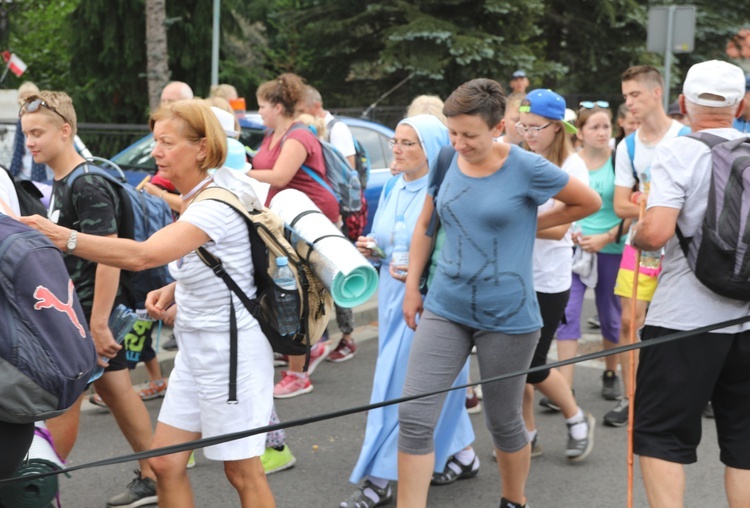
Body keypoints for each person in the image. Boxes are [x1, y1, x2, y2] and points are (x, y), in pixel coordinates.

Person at [22, 99, 276, 508]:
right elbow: (223, 260)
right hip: (199, 349)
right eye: (155, 140)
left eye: (166, 142)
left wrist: (60, 236)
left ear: (201, 148)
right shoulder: (199, 196)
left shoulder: (213, 203)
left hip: (231, 354)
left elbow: (143, 255)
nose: (155, 150)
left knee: (242, 472)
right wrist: (174, 290)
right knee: (165, 465)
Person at [397, 78, 601, 508]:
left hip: (508, 316)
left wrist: (532, 225)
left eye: (469, 134)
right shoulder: (446, 158)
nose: (459, 142)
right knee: (414, 416)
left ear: (498, 128)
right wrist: (413, 288)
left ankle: (514, 500)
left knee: (503, 420)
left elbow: (587, 203)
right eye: (453, 132)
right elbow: (425, 226)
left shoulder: (526, 167)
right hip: (445, 305)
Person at [19, 90, 158, 507]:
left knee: (65, 401)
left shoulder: (87, 182)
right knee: (117, 390)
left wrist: (97, 325)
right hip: (77, 311)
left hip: (85, 317)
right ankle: (155, 475)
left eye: (38, 133)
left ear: (65, 131)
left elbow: (110, 256)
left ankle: (37, 490)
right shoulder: (64, 180)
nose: (30, 142)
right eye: (26, 134)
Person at [631, 59, 750, 508]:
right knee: (744, 442)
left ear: (683, 103)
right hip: (747, 320)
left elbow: (657, 233)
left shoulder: (680, 151)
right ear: (740, 105)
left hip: (683, 319)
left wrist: (637, 233)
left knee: (661, 433)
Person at [342, 114, 478, 507]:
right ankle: (463, 453)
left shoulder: (444, 192)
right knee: (438, 383)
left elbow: (455, 249)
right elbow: (389, 240)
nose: (396, 150)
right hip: (390, 298)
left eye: (407, 143)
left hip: (427, 302)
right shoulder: (391, 186)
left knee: (396, 389)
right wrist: (373, 249)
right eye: (396, 141)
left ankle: (378, 480)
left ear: (431, 150)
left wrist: (420, 270)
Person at [606, 65, 689, 428]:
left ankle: (683, 395)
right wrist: (654, 205)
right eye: (625, 97)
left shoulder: (685, 138)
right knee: (629, 320)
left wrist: (652, 202)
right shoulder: (627, 145)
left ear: (657, 93)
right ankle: (631, 398)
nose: (629, 103)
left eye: (635, 95)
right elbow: (620, 205)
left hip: (681, 247)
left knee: (680, 323)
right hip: (640, 244)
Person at [248, 73, 339, 398]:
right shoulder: (275, 133)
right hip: (285, 222)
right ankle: (311, 346)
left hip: (308, 223)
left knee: (296, 293)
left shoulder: (299, 135)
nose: (259, 112)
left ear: (277, 106)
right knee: (291, 290)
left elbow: (280, 175)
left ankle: (299, 372)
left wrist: (237, 172)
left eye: (261, 106)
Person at [516, 89, 595, 461]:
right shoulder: (518, 158)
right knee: (511, 366)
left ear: (557, 127)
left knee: (531, 366)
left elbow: (561, 228)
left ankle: (577, 418)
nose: (527, 133)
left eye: (535, 127)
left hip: (548, 280)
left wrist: (511, 222)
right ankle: (527, 434)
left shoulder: (572, 167)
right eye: (523, 125)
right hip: (514, 275)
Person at [556, 102, 626, 402]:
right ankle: (564, 389)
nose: (602, 132)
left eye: (606, 126)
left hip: (612, 248)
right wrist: (570, 230)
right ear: (580, 133)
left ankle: (610, 373)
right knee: (567, 313)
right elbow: (561, 203)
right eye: (594, 127)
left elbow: (633, 207)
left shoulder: (620, 160)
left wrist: (606, 236)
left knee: (612, 317)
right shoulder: (572, 163)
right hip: (575, 249)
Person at [296, 84, 359, 363]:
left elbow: (348, 173)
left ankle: (348, 337)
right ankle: (322, 336)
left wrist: (342, 213)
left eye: (299, 110)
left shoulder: (337, 129)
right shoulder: (310, 131)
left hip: (336, 215)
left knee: (339, 274)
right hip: (320, 214)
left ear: (313, 108)